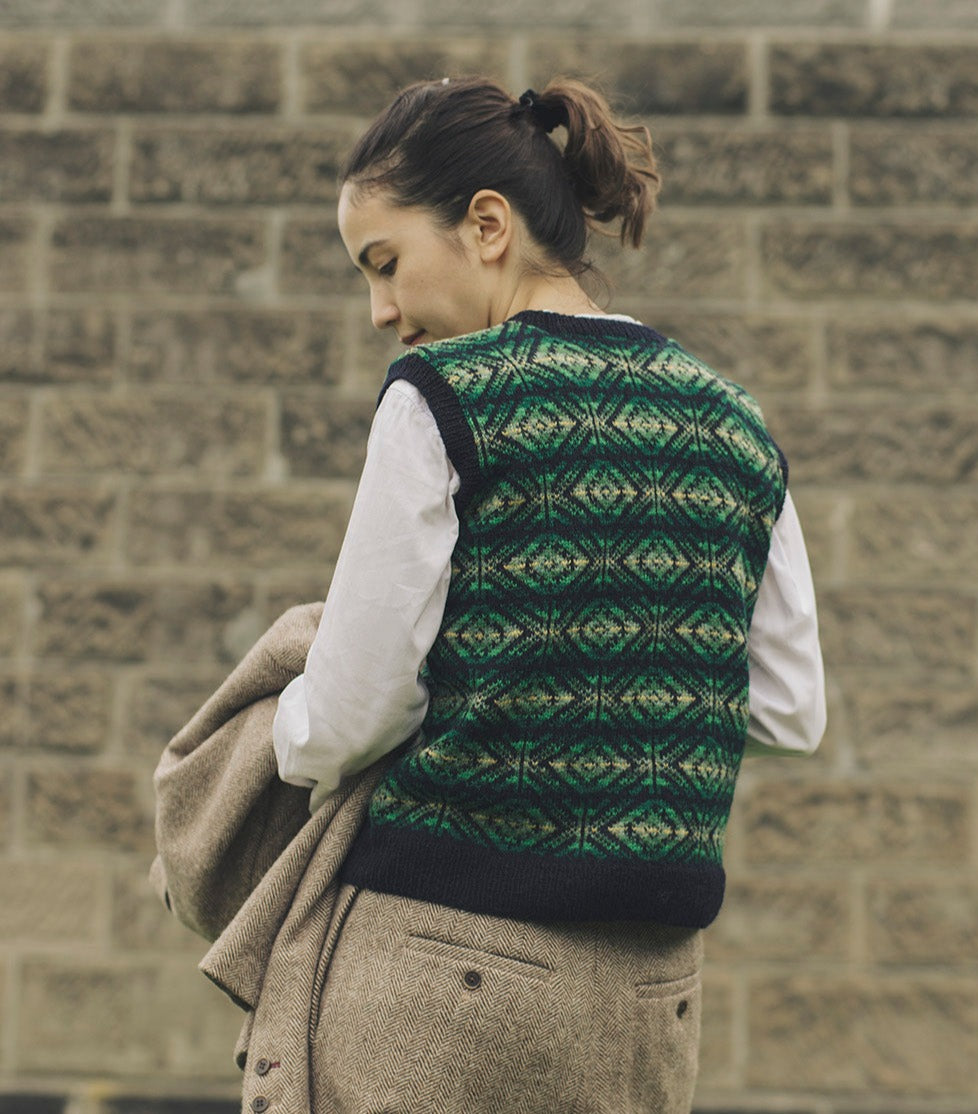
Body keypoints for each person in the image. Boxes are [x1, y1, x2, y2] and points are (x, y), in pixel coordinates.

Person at [270, 75, 825, 1113]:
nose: (382, 311)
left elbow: (355, 710)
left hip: (440, 972)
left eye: (385, 265)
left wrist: (276, 729)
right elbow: (791, 711)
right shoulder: (736, 424)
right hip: (648, 996)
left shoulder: (442, 399)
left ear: (487, 226)